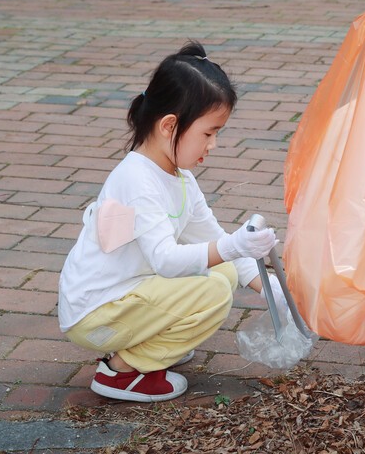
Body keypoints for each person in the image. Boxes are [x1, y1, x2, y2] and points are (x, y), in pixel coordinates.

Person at [58, 41, 288, 403]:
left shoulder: (179, 178)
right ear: (170, 125)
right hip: (96, 314)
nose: (213, 145)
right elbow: (167, 259)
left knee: (223, 273)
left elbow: (214, 239)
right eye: (209, 132)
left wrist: (271, 288)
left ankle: (154, 340)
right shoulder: (137, 180)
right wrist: (234, 246)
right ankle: (124, 370)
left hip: (126, 295)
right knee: (211, 291)